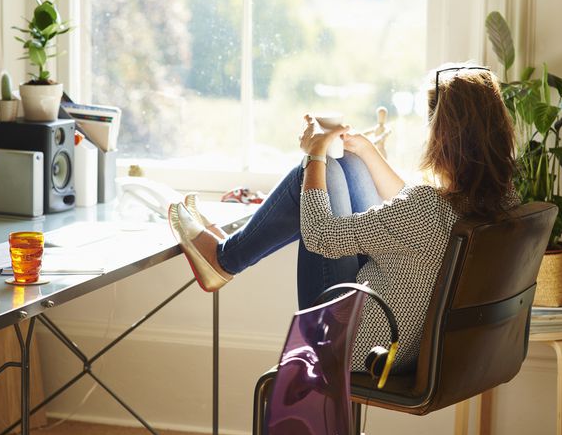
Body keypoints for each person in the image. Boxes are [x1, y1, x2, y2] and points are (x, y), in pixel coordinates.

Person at [168, 65, 517, 374]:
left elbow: (320, 236)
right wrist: (366, 151)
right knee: (348, 163)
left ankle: (225, 258)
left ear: (443, 136)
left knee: (314, 171)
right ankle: (229, 253)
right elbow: (409, 211)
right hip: (409, 348)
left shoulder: (425, 209)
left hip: (353, 347)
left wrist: (315, 155)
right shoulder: (499, 203)